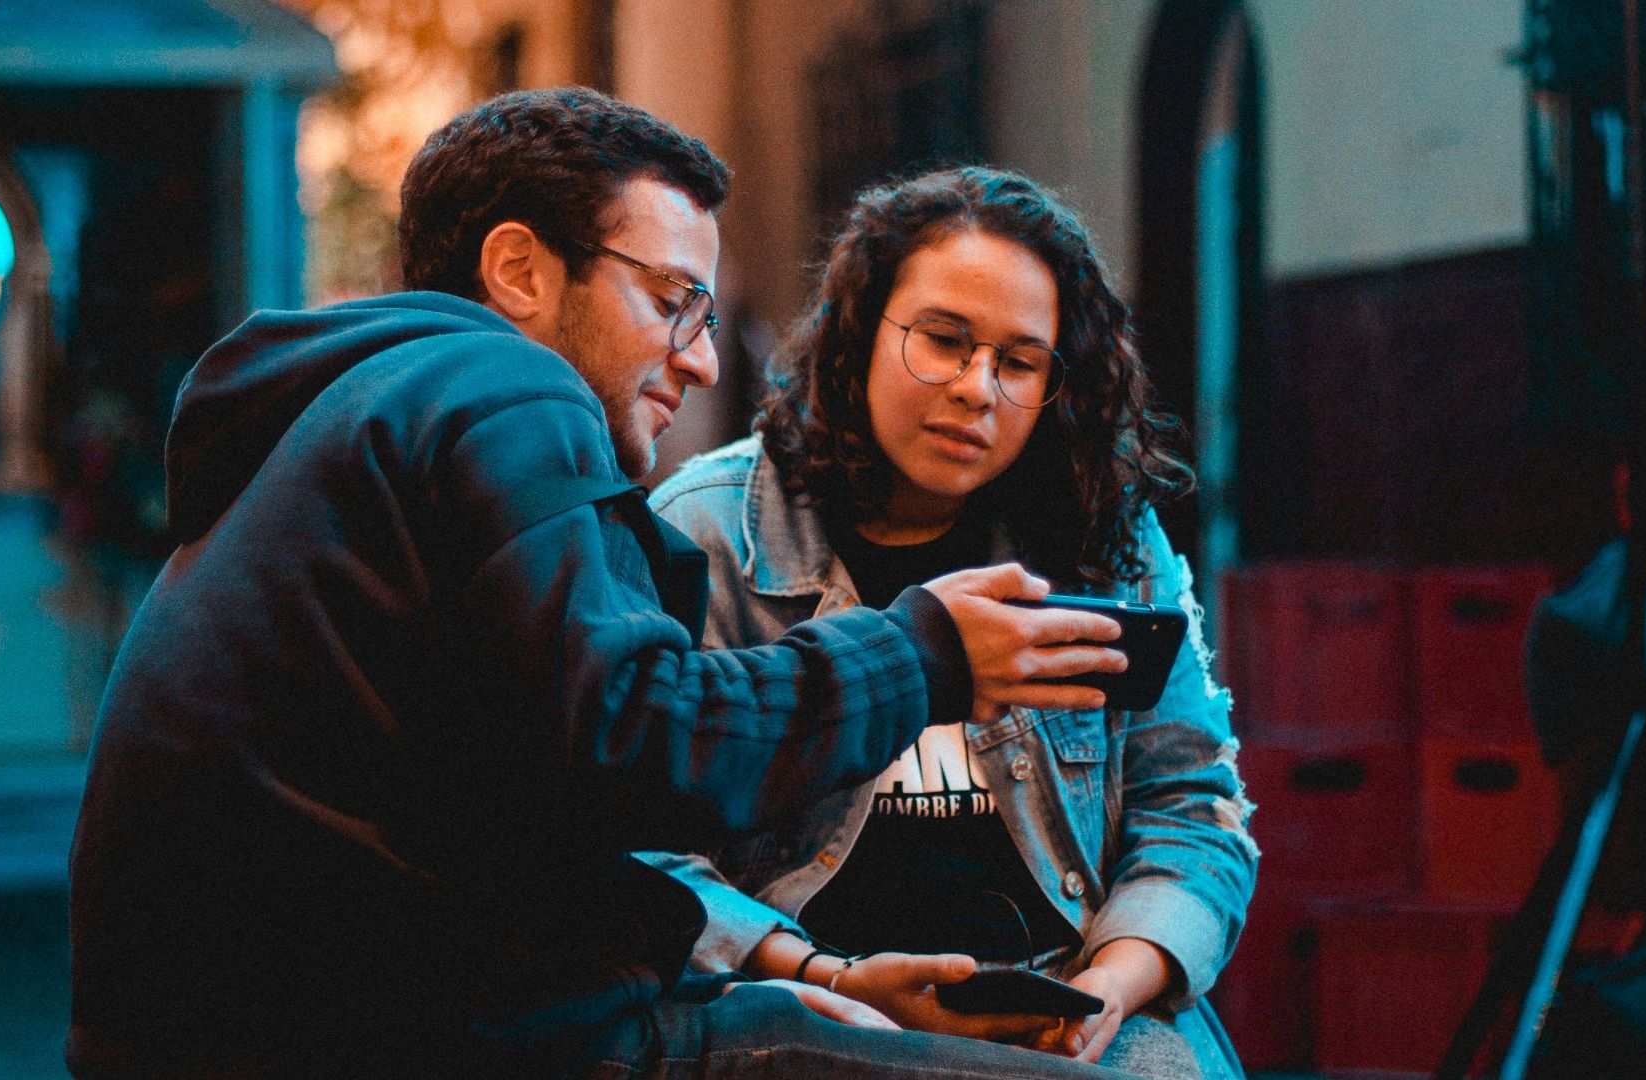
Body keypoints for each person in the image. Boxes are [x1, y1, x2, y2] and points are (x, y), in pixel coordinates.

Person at [66, 89, 1141, 1079]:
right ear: (521, 271)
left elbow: (531, 811)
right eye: (674, 300)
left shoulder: (375, 412)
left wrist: (796, 982)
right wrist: (924, 652)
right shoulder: (498, 386)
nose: (702, 359)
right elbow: (640, 737)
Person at [640, 166, 1258, 1080]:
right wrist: (814, 974)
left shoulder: (1105, 534)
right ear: (861, 332)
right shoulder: (710, 529)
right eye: (943, 341)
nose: (978, 389)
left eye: (1020, 363)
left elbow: (1195, 806)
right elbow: (636, 836)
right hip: (815, 1002)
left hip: (1066, 990)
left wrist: (1111, 988)